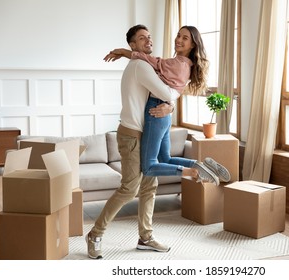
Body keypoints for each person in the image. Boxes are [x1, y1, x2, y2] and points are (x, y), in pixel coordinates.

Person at [86, 25, 223, 260]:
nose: (148, 40)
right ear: (133, 45)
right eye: (141, 38)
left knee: (150, 186)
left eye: (149, 36)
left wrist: (170, 103)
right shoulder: (141, 66)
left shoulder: (151, 64)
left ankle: (145, 237)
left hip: (146, 130)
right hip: (132, 135)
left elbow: (172, 88)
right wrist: (170, 104)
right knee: (130, 188)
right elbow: (168, 93)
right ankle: (95, 234)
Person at [104, 26, 231, 185]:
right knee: (166, 158)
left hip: (156, 111)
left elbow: (155, 64)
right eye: (178, 35)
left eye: (185, 38)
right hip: (164, 115)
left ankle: (192, 170)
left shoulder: (178, 63)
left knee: (148, 167)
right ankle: (200, 164)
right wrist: (170, 106)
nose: (178, 40)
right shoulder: (185, 64)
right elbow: (170, 90)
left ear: (193, 45)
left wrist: (125, 52)